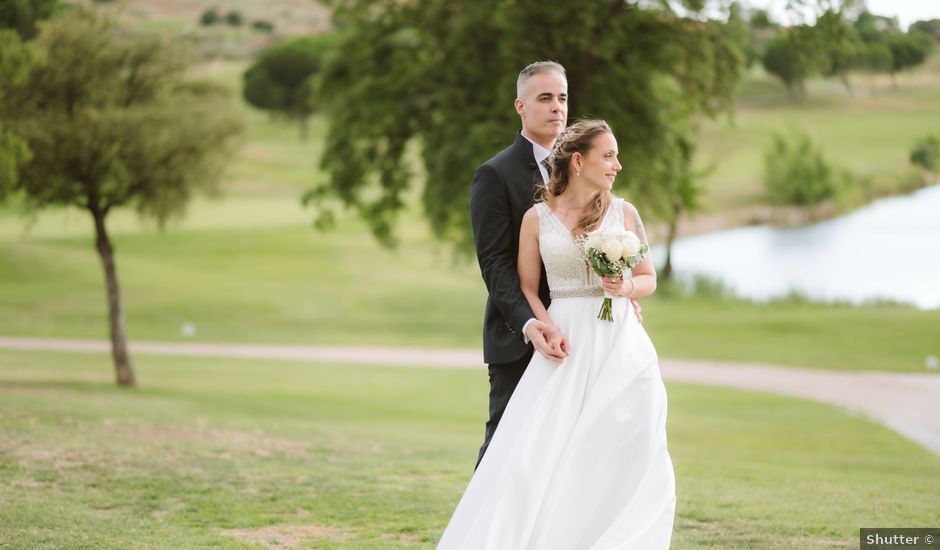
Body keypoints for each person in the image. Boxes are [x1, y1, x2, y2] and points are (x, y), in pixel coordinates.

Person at [438, 120, 675, 549]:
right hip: (564, 341)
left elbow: (648, 278)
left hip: (620, 344)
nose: (617, 165)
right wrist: (543, 328)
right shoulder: (536, 217)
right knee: (538, 451)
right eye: (608, 155)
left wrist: (625, 289)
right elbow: (527, 286)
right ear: (579, 161)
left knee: (622, 446)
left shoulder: (624, 212)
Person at [468, 60, 573, 467]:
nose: (556, 108)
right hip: (519, 340)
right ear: (520, 106)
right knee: (505, 451)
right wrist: (532, 325)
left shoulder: (580, 170)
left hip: (579, 334)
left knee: (565, 453)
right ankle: (476, 533)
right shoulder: (495, 174)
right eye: (545, 98)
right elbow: (494, 264)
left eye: (562, 98)